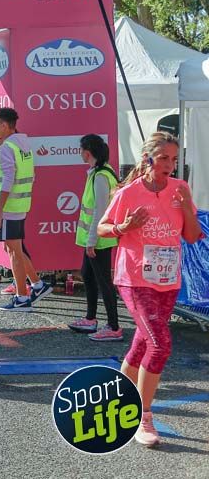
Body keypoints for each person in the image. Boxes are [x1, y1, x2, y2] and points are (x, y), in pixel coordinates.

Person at [97, 131, 202, 447]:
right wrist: (124, 227)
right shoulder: (129, 193)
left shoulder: (180, 189)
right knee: (160, 343)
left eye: (174, 158)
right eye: (165, 158)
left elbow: (194, 236)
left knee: (143, 343)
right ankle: (143, 417)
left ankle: (120, 396)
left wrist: (184, 208)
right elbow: (103, 228)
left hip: (167, 280)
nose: (170, 164)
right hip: (134, 279)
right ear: (148, 159)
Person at [0, 107, 53, 311]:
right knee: (13, 248)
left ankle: (22, 297)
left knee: (14, 251)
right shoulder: (23, 144)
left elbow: (8, 180)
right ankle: (38, 285)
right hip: (21, 204)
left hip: (11, 206)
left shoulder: (7, 147)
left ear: (5, 126)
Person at [68, 134, 122, 341]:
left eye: (81, 150)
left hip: (98, 239)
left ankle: (114, 327)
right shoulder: (98, 173)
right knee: (88, 276)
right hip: (94, 238)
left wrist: (91, 241)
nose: (80, 153)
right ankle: (91, 319)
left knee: (104, 282)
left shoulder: (100, 176)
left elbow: (100, 212)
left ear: (87, 152)